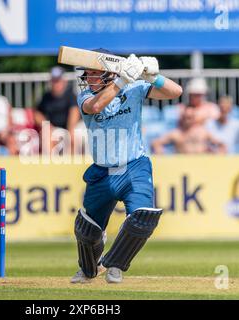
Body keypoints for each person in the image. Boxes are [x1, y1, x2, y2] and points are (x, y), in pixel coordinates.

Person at [71, 49, 183, 284]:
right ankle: (89, 270)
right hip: (102, 172)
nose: (87, 80)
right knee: (87, 230)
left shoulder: (134, 88)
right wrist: (122, 80)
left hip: (134, 165)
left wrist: (152, 77)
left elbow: (176, 92)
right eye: (86, 75)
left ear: (107, 74)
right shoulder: (85, 97)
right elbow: (96, 107)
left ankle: (115, 264)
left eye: (92, 74)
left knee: (143, 217)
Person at [34, 66, 81, 154]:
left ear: (64, 81)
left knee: (73, 136)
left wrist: (70, 130)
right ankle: (50, 165)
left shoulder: (71, 95)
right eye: (54, 80)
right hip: (54, 129)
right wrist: (47, 126)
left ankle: (72, 164)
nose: (56, 83)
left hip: (70, 128)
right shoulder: (46, 97)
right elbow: (37, 113)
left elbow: (74, 112)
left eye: (58, 80)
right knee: (46, 134)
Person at [152, 105, 226, 154]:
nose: (187, 120)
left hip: (202, 166)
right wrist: (160, 153)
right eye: (186, 117)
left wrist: (217, 157)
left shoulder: (202, 132)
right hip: (182, 168)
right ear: (182, 117)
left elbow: (221, 145)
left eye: (190, 117)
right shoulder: (176, 133)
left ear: (194, 118)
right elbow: (156, 143)